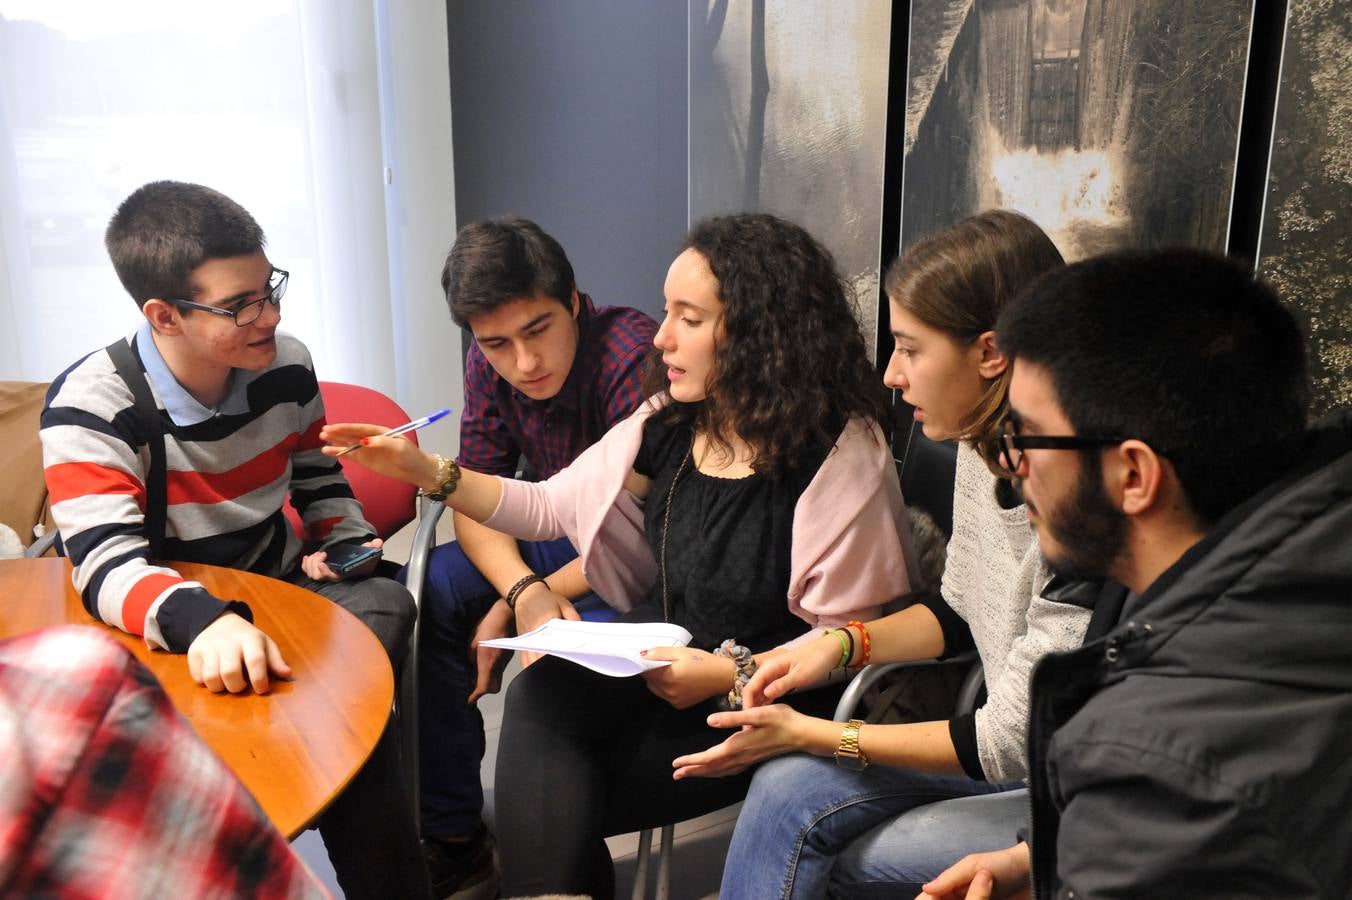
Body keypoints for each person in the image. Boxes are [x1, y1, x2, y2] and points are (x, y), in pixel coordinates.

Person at [322, 213, 916, 899]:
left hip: (768, 707)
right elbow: (546, 506)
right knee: (543, 695)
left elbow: (846, 645)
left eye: (687, 319)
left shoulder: (840, 453)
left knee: (550, 801)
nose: (661, 336)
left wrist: (723, 671)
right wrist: (425, 469)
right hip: (672, 673)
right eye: (667, 313)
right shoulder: (674, 420)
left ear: (760, 329)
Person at [673, 210, 1099, 899]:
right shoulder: (977, 444)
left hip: (1070, 793)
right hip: (1007, 750)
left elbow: (1008, 742)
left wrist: (813, 735)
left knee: (839, 850)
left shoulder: (1077, 506)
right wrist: (837, 645)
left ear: (991, 353)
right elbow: (958, 610)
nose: (892, 374)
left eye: (909, 348)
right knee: (785, 792)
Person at [38, 181, 430, 899]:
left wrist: (346, 546)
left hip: (275, 586)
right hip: (157, 617)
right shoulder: (92, 405)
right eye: (239, 305)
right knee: (348, 722)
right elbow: (104, 564)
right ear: (164, 315)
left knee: (383, 603)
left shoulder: (285, 363)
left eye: (269, 289)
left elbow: (318, 481)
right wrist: (201, 621)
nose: (269, 317)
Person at [919, 248, 1351, 899]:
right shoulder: (1300, 564)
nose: (1012, 473)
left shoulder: (1155, 760)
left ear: (1133, 475)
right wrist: (1034, 861)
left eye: (1029, 438)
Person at [412, 216, 656, 894]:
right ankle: (455, 833)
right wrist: (521, 592)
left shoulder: (632, 359)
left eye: (539, 330)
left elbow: (646, 540)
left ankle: (565, 864)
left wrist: (541, 594)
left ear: (574, 301)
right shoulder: (490, 360)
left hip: (638, 551)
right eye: (496, 344)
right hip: (555, 533)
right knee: (430, 595)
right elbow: (475, 501)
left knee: (554, 681)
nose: (524, 362)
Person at [1, 625, 331, 899]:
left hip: (274, 597)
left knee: (377, 604)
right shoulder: (89, 682)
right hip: (185, 618)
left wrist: (333, 548)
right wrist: (199, 616)